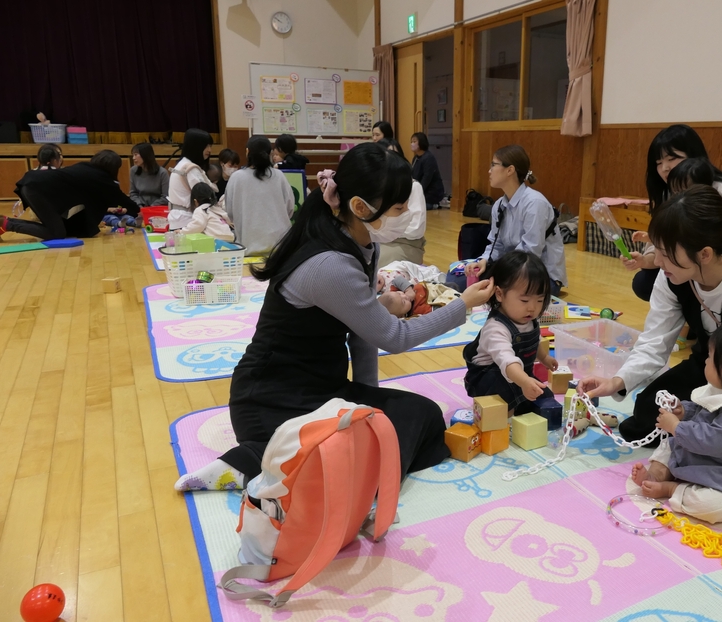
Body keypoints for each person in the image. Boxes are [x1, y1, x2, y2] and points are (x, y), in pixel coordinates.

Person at [173, 142, 494, 491]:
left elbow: (362, 335)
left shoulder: (362, 243)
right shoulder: (331, 264)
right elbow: (394, 337)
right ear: (360, 206)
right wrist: (461, 305)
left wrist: (368, 405)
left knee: (423, 417)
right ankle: (257, 464)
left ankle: (334, 472)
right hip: (271, 400)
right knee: (398, 431)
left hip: (321, 387)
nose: (405, 215)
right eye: (399, 207)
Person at [577, 185, 722, 446]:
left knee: (720, 423)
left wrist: (693, 410)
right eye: (657, 250)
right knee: (648, 413)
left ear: (705, 254)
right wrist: (617, 381)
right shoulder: (673, 274)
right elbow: (655, 341)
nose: (658, 262)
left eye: (666, 253)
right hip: (712, 364)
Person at [631, 320, 722, 523]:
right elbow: (704, 413)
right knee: (668, 446)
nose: (705, 361)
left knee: (712, 506)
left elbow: (714, 440)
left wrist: (676, 426)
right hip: (703, 458)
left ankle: (673, 488)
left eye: (711, 358)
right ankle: (656, 475)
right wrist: (683, 411)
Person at [627, 124, 722, 302]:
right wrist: (645, 259)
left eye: (672, 159)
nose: (665, 168)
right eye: (659, 163)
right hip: (688, 261)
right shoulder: (670, 193)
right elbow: (663, 246)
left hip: (717, 265)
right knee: (645, 282)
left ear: (693, 157)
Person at [623, 158, 722, 301]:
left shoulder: (717, 214)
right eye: (675, 191)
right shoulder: (674, 214)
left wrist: (713, 240)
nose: (680, 197)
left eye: (685, 190)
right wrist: (651, 248)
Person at [460, 145, 567, 296]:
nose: (489, 171)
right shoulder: (499, 205)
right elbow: (496, 244)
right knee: (459, 279)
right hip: (512, 270)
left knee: (496, 292)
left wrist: (498, 270)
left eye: (493, 165)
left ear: (510, 170)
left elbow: (530, 253)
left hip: (541, 276)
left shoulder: (534, 203)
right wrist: (484, 260)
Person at [463, 251, 559, 415]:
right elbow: (507, 360)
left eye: (539, 300)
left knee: (546, 401)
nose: (532, 307)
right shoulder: (496, 328)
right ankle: (500, 423)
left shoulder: (526, 318)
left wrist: (544, 358)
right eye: (524, 300)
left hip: (519, 375)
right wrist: (524, 382)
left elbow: (534, 341)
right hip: (489, 379)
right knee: (505, 403)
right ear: (499, 294)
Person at [0, 150, 139, 240]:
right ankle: (9, 224)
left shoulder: (85, 167)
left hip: (31, 183)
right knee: (57, 233)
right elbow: (121, 198)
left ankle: (7, 221)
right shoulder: (101, 178)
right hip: (37, 189)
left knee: (57, 228)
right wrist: (139, 211)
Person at [225, 135, 294, 256]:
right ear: (270, 153)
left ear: (247, 152)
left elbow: (230, 212)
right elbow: (289, 208)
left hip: (248, 249)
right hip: (281, 250)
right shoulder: (279, 176)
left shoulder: (236, 177)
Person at [377, 138, 426, 264]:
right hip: (376, 241)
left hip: (405, 244)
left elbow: (416, 229)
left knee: (379, 265)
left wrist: (385, 231)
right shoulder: (374, 187)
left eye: (395, 156)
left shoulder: (413, 186)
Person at [168, 128, 218, 230]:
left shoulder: (181, 165)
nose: (209, 150)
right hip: (189, 221)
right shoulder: (190, 169)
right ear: (196, 146)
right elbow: (205, 196)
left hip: (179, 220)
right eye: (206, 146)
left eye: (210, 146)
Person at [379, 275, 459, 318]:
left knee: (452, 283)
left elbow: (397, 279)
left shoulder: (393, 292)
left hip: (431, 286)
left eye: (399, 293)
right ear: (401, 315)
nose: (404, 296)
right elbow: (435, 311)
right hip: (440, 296)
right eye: (403, 302)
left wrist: (408, 290)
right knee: (455, 295)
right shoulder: (416, 311)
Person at [410, 132, 445, 210]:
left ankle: (434, 205)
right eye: (411, 142)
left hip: (431, 192)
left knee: (415, 207)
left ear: (421, 142)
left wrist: (417, 192)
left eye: (414, 141)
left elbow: (427, 178)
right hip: (420, 191)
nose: (412, 144)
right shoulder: (415, 158)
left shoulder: (428, 158)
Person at [129, 142, 169, 207]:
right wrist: (139, 205)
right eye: (133, 155)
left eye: (136, 155)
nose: (133, 158)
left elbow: (166, 197)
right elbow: (133, 193)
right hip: (139, 207)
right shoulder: (133, 171)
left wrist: (151, 207)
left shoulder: (162, 173)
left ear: (145, 155)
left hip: (157, 207)